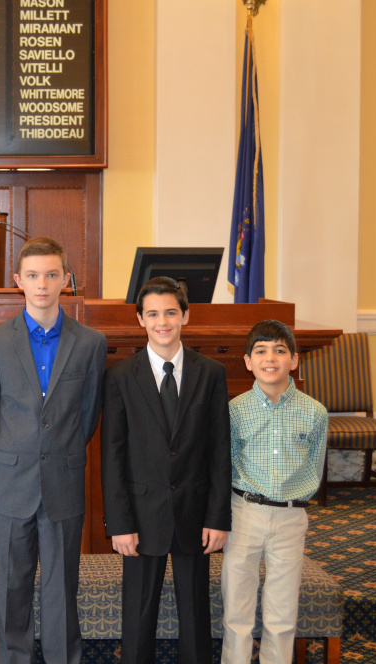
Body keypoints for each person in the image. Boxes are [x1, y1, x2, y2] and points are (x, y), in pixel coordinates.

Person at [0, 237, 106, 664]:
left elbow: (87, 415)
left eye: (52, 275)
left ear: (66, 280)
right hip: (13, 481)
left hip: (64, 480)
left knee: (62, 588)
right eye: (33, 275)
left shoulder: (90, 343)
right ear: (18, 281)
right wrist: (14, 451)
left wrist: (57, 449)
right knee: (12, 588)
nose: (42, 284)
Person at [101, 276, 231, 664]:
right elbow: (113, 455)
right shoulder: (121, 376)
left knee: (195, 614)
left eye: (171, 312)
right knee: (138, 617)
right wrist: (119, 523)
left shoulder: (210, 373)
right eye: (153, 313)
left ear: (185, 316)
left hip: (196, 515)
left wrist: (218, 517)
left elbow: (219, 451)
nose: (163, 321)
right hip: (140, 516)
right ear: (140, 319)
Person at [221, 320, 328, 664]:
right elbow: (227, 463)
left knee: (282, 612)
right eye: (261, 351)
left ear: (294, 360)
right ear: (248, 361)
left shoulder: (314, 412)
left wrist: (296, 499)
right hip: (245, 512)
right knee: (236, 609)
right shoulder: (235, 410)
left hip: (290, 517)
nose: (271, 358)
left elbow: (315, 464)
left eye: (280, 350)